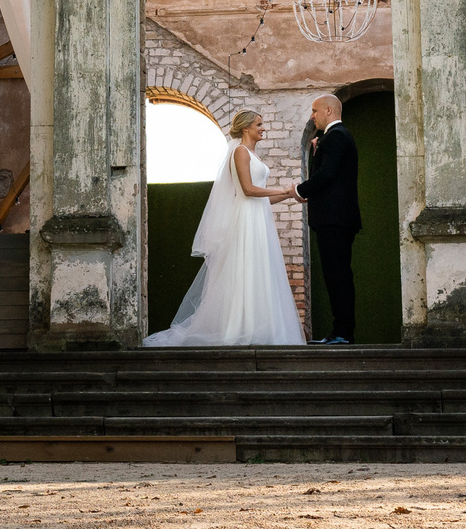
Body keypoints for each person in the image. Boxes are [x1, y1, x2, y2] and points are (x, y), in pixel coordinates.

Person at [144, 110, 307, 347]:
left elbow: (262, 198)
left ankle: (260, 328)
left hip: (258, 218)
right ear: (246, 128)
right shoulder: (240, 152)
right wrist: (285, 190)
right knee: (245, 270)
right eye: (259, 124)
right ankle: (238, 329)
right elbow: (248, 190)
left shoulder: (252, 154)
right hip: (246, 220)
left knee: (259, 271)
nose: (263, 128)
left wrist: (289, 196)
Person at [298, 93, 362, 345]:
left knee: (338, 276)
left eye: (315, 111)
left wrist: (300, 190)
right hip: (335, 218)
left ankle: (342, 333)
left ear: (328, 110)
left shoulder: (336, 136)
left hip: (335, 219)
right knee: (337, 275)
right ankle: (341, 331)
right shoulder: (335, 138)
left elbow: (326, 174)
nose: (312, 116)